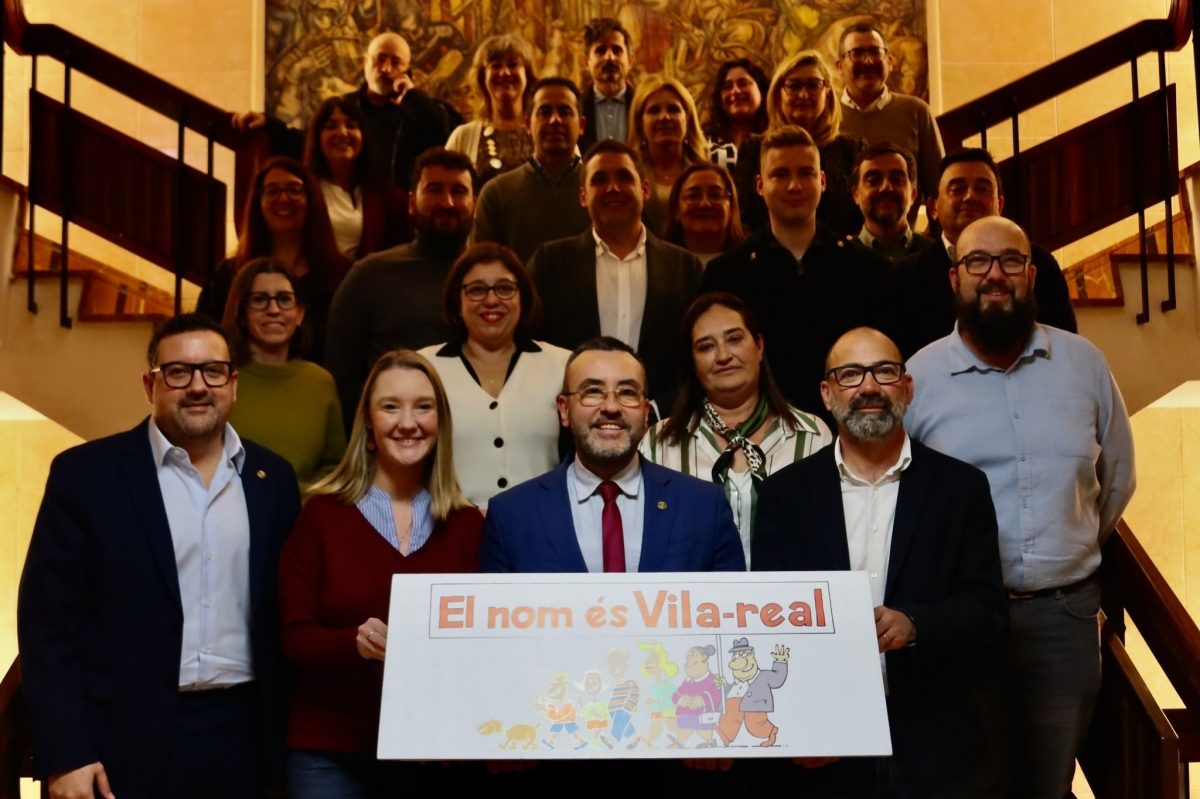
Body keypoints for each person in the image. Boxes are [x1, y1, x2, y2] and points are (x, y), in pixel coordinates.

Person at [18, 314, 300, 799]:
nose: (198, 386)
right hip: (122, 738)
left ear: (233, 384)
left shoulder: (273, 480)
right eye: (178, 372)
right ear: (150, 385)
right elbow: (47, 625)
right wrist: (65, 752)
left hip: (246, 738)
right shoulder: (86, 476)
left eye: (213, 371)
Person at [905, 216, 1136, 799]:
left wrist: (1070, 547)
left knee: (1049, 784)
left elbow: (1117, 477)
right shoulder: (917, 378)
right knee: (963, 783)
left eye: (1010, 260)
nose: (995, 275)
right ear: (955, 278)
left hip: (1063, 620)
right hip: (959, 623)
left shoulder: (1084, 364)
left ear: (1031, 275)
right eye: (977, 262)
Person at [753, 325, 1006, 797]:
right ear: (827, 394)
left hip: (933, 736)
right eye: (850, 374)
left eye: (884, 372)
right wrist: (799, 722)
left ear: (906, 388)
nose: (868, 386)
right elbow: (769, 620)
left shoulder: (962, 489)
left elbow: (986, 609)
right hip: (824, 738)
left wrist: (915, 624)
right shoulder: (784, 495)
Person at [279, 349, 483, 797]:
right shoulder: (322, 516)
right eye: (391, 406)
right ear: (368, 424)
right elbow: (293, 637)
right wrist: (354, 643)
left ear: (441, 423)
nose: (408, 423)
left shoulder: (469, 525)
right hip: (331, 755)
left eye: (423, 407)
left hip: (433, 752)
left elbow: (481, 649)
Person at [479, 336, 745, 573]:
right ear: (564, 410)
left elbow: (730, 607)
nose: (611, 407)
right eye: (593, 391)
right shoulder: (511, 516)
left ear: (645, 412)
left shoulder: (703, 506)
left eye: (627, 393)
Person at [703, 126, 894, 423]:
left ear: (822, 181)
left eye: (806, 173)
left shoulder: (867, 268)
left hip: (849, 427)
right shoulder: (726, 275)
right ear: (760, 185)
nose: (794, 186)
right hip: (755, 429)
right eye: (780, 175)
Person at [641, 292, 831, 566]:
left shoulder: (812, 436)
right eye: (706, 347)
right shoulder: (658, 443)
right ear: (692, 363)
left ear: (759, 346)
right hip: (691, 593)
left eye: (734, 339)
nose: (723, 356)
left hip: (790, 593)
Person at [529, 139, 703, 413]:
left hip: (664, 426)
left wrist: (658, 411)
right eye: (600, 179)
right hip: (570, 425)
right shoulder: (549, 263)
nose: (613, 188)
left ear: (645, 190)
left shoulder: (686, 268)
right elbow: (531, 350)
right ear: (583, 196)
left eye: (624, 177)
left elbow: (696, 358)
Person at [324, 148, 477, 433]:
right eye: (434, 190)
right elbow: (341, 375)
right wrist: (374, 434)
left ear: (475, 204)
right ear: (411, 203)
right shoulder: (369, 276)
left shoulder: (494, 280)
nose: (447, 202)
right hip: (390, 440)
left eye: (459, 191)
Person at [418, 243, 570, 510]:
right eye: (477, 289)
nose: (491, 300)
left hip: (543, 524)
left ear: (522, 296)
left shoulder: (563, 365)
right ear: (457, 300)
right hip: (451, 526)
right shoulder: (424, 368)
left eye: (504, 288)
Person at [893, 148, 1077, 358]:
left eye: (983, 189)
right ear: (933, 208)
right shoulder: (906, 275)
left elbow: (1065, 348)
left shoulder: (1038, 263)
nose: (970, 196)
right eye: (957, 189)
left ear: (1000, 205)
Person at [232, 32, 459, 192]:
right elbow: (309, 144)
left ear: (407, 70)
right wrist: (270, 125)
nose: (386, 68)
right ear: (366, 62)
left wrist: (412, 97)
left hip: (403, 214)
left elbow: (446, 138)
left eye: (396, 62)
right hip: (352, 211)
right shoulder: (344, 108)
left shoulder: (422, 108)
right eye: (380, 59)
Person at [197, 157, 349, 362]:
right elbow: (204, 339)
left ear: (312, 199)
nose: (283, 199)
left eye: (294, 190)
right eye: (272, 191)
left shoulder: (342, 275)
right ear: (258, 202)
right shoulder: (229, 274)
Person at [221, 258, 346, 492]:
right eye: (259, 300)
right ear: (241, 312)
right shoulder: (219, 380)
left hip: (305, 512)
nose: (274, 310)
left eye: (284, 299)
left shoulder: (321, 382)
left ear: (300, 314)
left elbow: (335, 467)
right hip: (228, 509)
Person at [733, 51, 867, 237]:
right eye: (793, 86)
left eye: (813, 85)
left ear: (828, 95)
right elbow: (743, 218)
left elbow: (865, 214)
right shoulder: (753, 150)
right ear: (778, 95)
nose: (803, 95)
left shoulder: (852, 150)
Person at [472, 77, 593, 263]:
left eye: (565, 112)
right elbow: (483, 267)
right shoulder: (496, 193)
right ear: (528, 124)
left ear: (581, 126)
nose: (555, 120)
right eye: (544, 112)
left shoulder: (599, 191)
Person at [836, 22, 944, 214]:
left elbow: (938, 189)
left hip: (902, 233)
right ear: (840, 66)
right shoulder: (827, 115)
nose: (868, 61)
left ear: (890, 62)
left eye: (875, 52)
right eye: (857, 53)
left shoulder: (917, 112)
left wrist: (934, 233)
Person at [303, 95, 413, 260]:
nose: (342, 133)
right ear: (317, 137)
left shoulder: (386, 196)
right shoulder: (303, 189)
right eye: (331, 126)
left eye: (351, 126)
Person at [445, 34, 537, 187]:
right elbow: (446, 190)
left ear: (527, 75)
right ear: (482, 79)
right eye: (495, 65)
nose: (505, 72)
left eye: (513, 64)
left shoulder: (549, 132)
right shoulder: (462, 137)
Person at [628, 75, 709, 237]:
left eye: (673, 109)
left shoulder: (706, 173)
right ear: (640, 122)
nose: (664, 117)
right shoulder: (629, 175)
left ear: (688, 119)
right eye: (654, 110)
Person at [853, 142, 933, 262]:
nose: (886, 187)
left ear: (913, 195)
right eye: (873, 180)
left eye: (897, 180)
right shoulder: (837, 259)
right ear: (856, 195)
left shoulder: (936, 257)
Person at [663, 163, 746, 265]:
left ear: (732, 208)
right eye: (693, 196)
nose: (704, 203)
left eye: (716, 195)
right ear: (676, 209)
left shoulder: (753, 260)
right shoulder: (657, 263)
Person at [578, 17, 636, 154]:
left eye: (617, 50)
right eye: (600, 51)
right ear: (586, 62)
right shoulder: (576, 108)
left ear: (630, 61)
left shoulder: (643, 106)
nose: (610, 57)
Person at [704, 59, 771, 169]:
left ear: (762, 91)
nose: (735, 91)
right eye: (727, 86)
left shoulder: (776, 137)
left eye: (743, 83)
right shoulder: (704, 141)